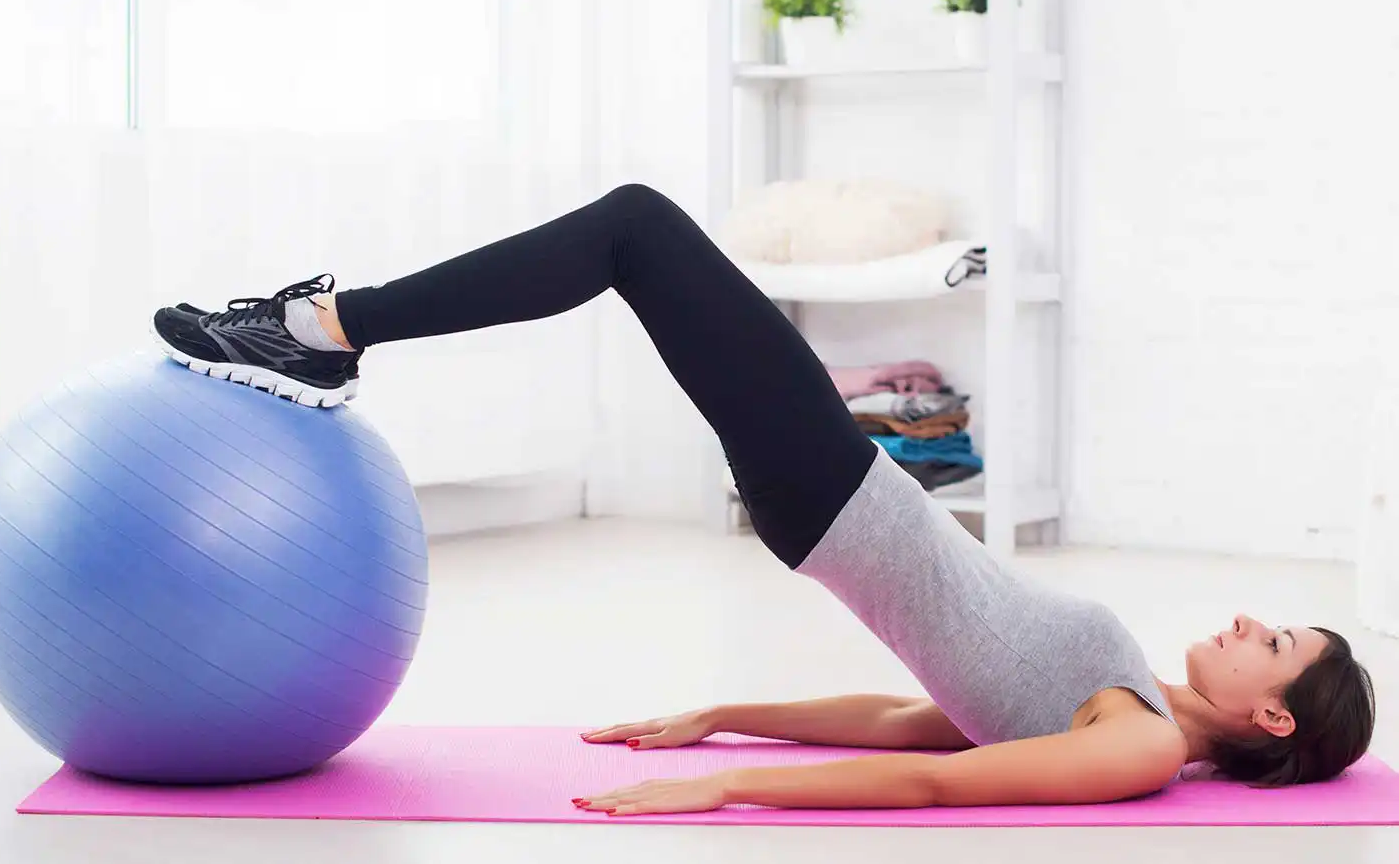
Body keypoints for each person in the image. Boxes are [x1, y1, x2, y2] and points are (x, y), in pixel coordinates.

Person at [153, 183, 1376, 816]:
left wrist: (732, 786)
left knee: (635, 227)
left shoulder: (1141, 746)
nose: (1241, 624)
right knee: (634, 234)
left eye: (1269, 643)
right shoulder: (1132, 707)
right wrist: (721, 714)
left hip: (841, 495)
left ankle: (322, 328)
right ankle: (324, 327)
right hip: (848, 490)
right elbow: (919, 723)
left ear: (1272, 718)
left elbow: (934, 791)